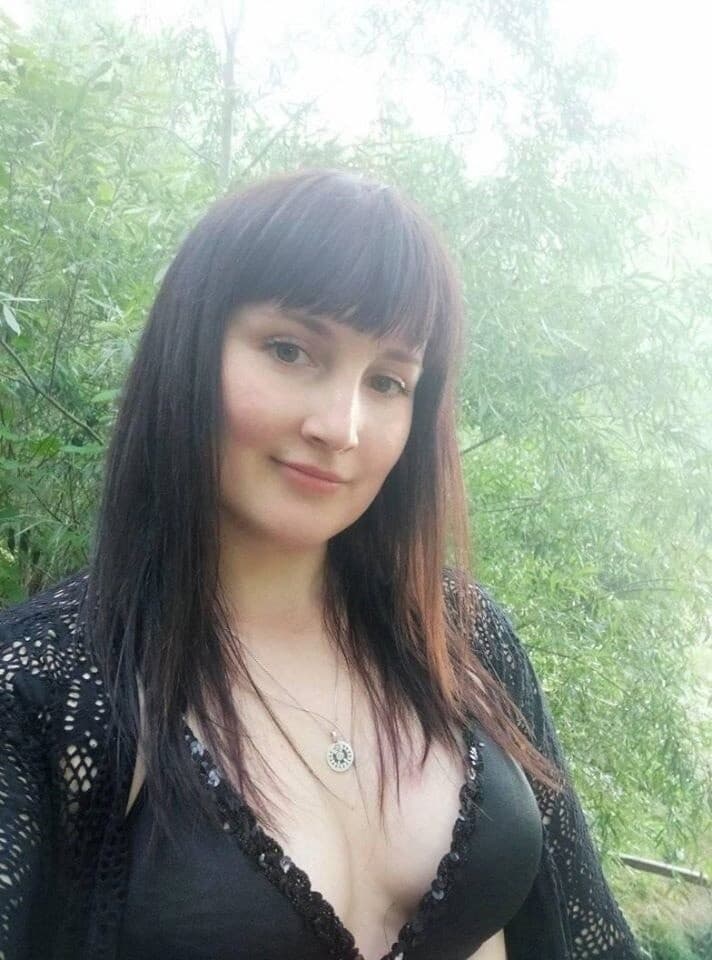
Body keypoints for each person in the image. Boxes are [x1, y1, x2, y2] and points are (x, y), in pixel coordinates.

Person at [0, 168, 646, 960]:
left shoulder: (463, 636)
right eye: (290, 350)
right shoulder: (43, 690)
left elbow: (583, 931)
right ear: (188, 349)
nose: (341, 427)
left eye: (388, 381)